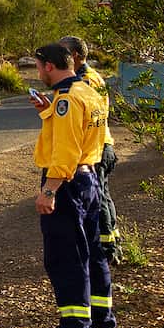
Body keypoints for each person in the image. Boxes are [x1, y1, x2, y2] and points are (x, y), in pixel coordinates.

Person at [29, 43, 116, 328]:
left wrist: (49, 190)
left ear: (49, 66)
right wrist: (47, 114)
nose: (38, 73)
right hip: (89, 179)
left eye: (38, 67)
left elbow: (65, 150)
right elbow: (81, 135)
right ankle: (102, 327)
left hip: (67, 184)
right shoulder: (88, 91)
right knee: (93, 255)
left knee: (67, 260)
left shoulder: (66, 99)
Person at [58, 35, 122, 265]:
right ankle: (112, 243)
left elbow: (87, 118)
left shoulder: (86, 81)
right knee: (103, 195)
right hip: (101, 145)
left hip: (96, 147)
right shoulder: (86, 78)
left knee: (100, 199)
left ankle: (107, 250)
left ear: (74, 55)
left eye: (62, 51)